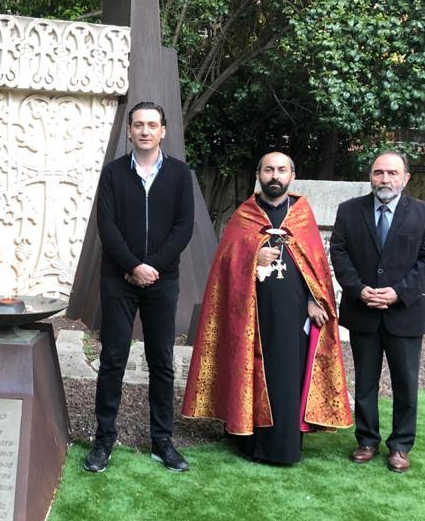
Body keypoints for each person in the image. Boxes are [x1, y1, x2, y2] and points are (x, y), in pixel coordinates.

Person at [182, 152, 352, 464]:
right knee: (249, 371)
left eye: (281, 170)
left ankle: (284, 447)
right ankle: (247, 441)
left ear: (292, 176)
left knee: (287, 374)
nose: (275, 176)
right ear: (259, 175)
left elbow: (316, 266)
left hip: (294, 314)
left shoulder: (302, 216)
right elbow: (225, 266)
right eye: (269, 170)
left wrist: (314, 300)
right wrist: (253, 256)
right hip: (251, 313)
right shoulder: (244, 216)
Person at [84, 101, 195, 473]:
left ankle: (162, 441)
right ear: (129, 131)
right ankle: (103, 439)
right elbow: (107, 226)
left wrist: (153, 267)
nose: (145, 131)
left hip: (163, 280)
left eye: (152, 125)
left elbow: (183, 227)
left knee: (161, 360)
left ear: (163, 131)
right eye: (138, 125)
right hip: (118, 279)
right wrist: (133, 266)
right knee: (113, 358)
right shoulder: (113, 174)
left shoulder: (180, 174)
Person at [330, 151, 425, 473]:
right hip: (362, 310)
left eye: (392, 173)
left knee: (405, 383)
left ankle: (401, 446)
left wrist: (398, 293)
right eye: (379, 172)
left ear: (405, 178)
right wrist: (358, 289)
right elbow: (339, 253)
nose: (385, 179)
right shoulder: (349, 211)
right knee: (365, 382)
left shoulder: (424, 213)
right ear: (370, 176)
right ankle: (366, 440)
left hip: (405, 314)